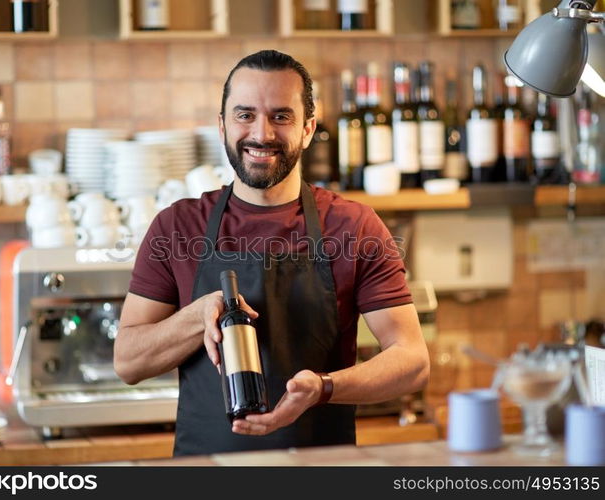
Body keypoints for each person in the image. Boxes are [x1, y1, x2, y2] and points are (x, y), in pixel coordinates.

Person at [114, 50, 429, 457]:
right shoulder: (177, 227)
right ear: (222, 125)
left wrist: (323, 387)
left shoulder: (354, 227)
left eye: (281, 116)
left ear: (308, 129)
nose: (261, 133)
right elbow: (128, 362)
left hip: (321, 472)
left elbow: (412, 360)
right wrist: (196, 316)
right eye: (245, 115)